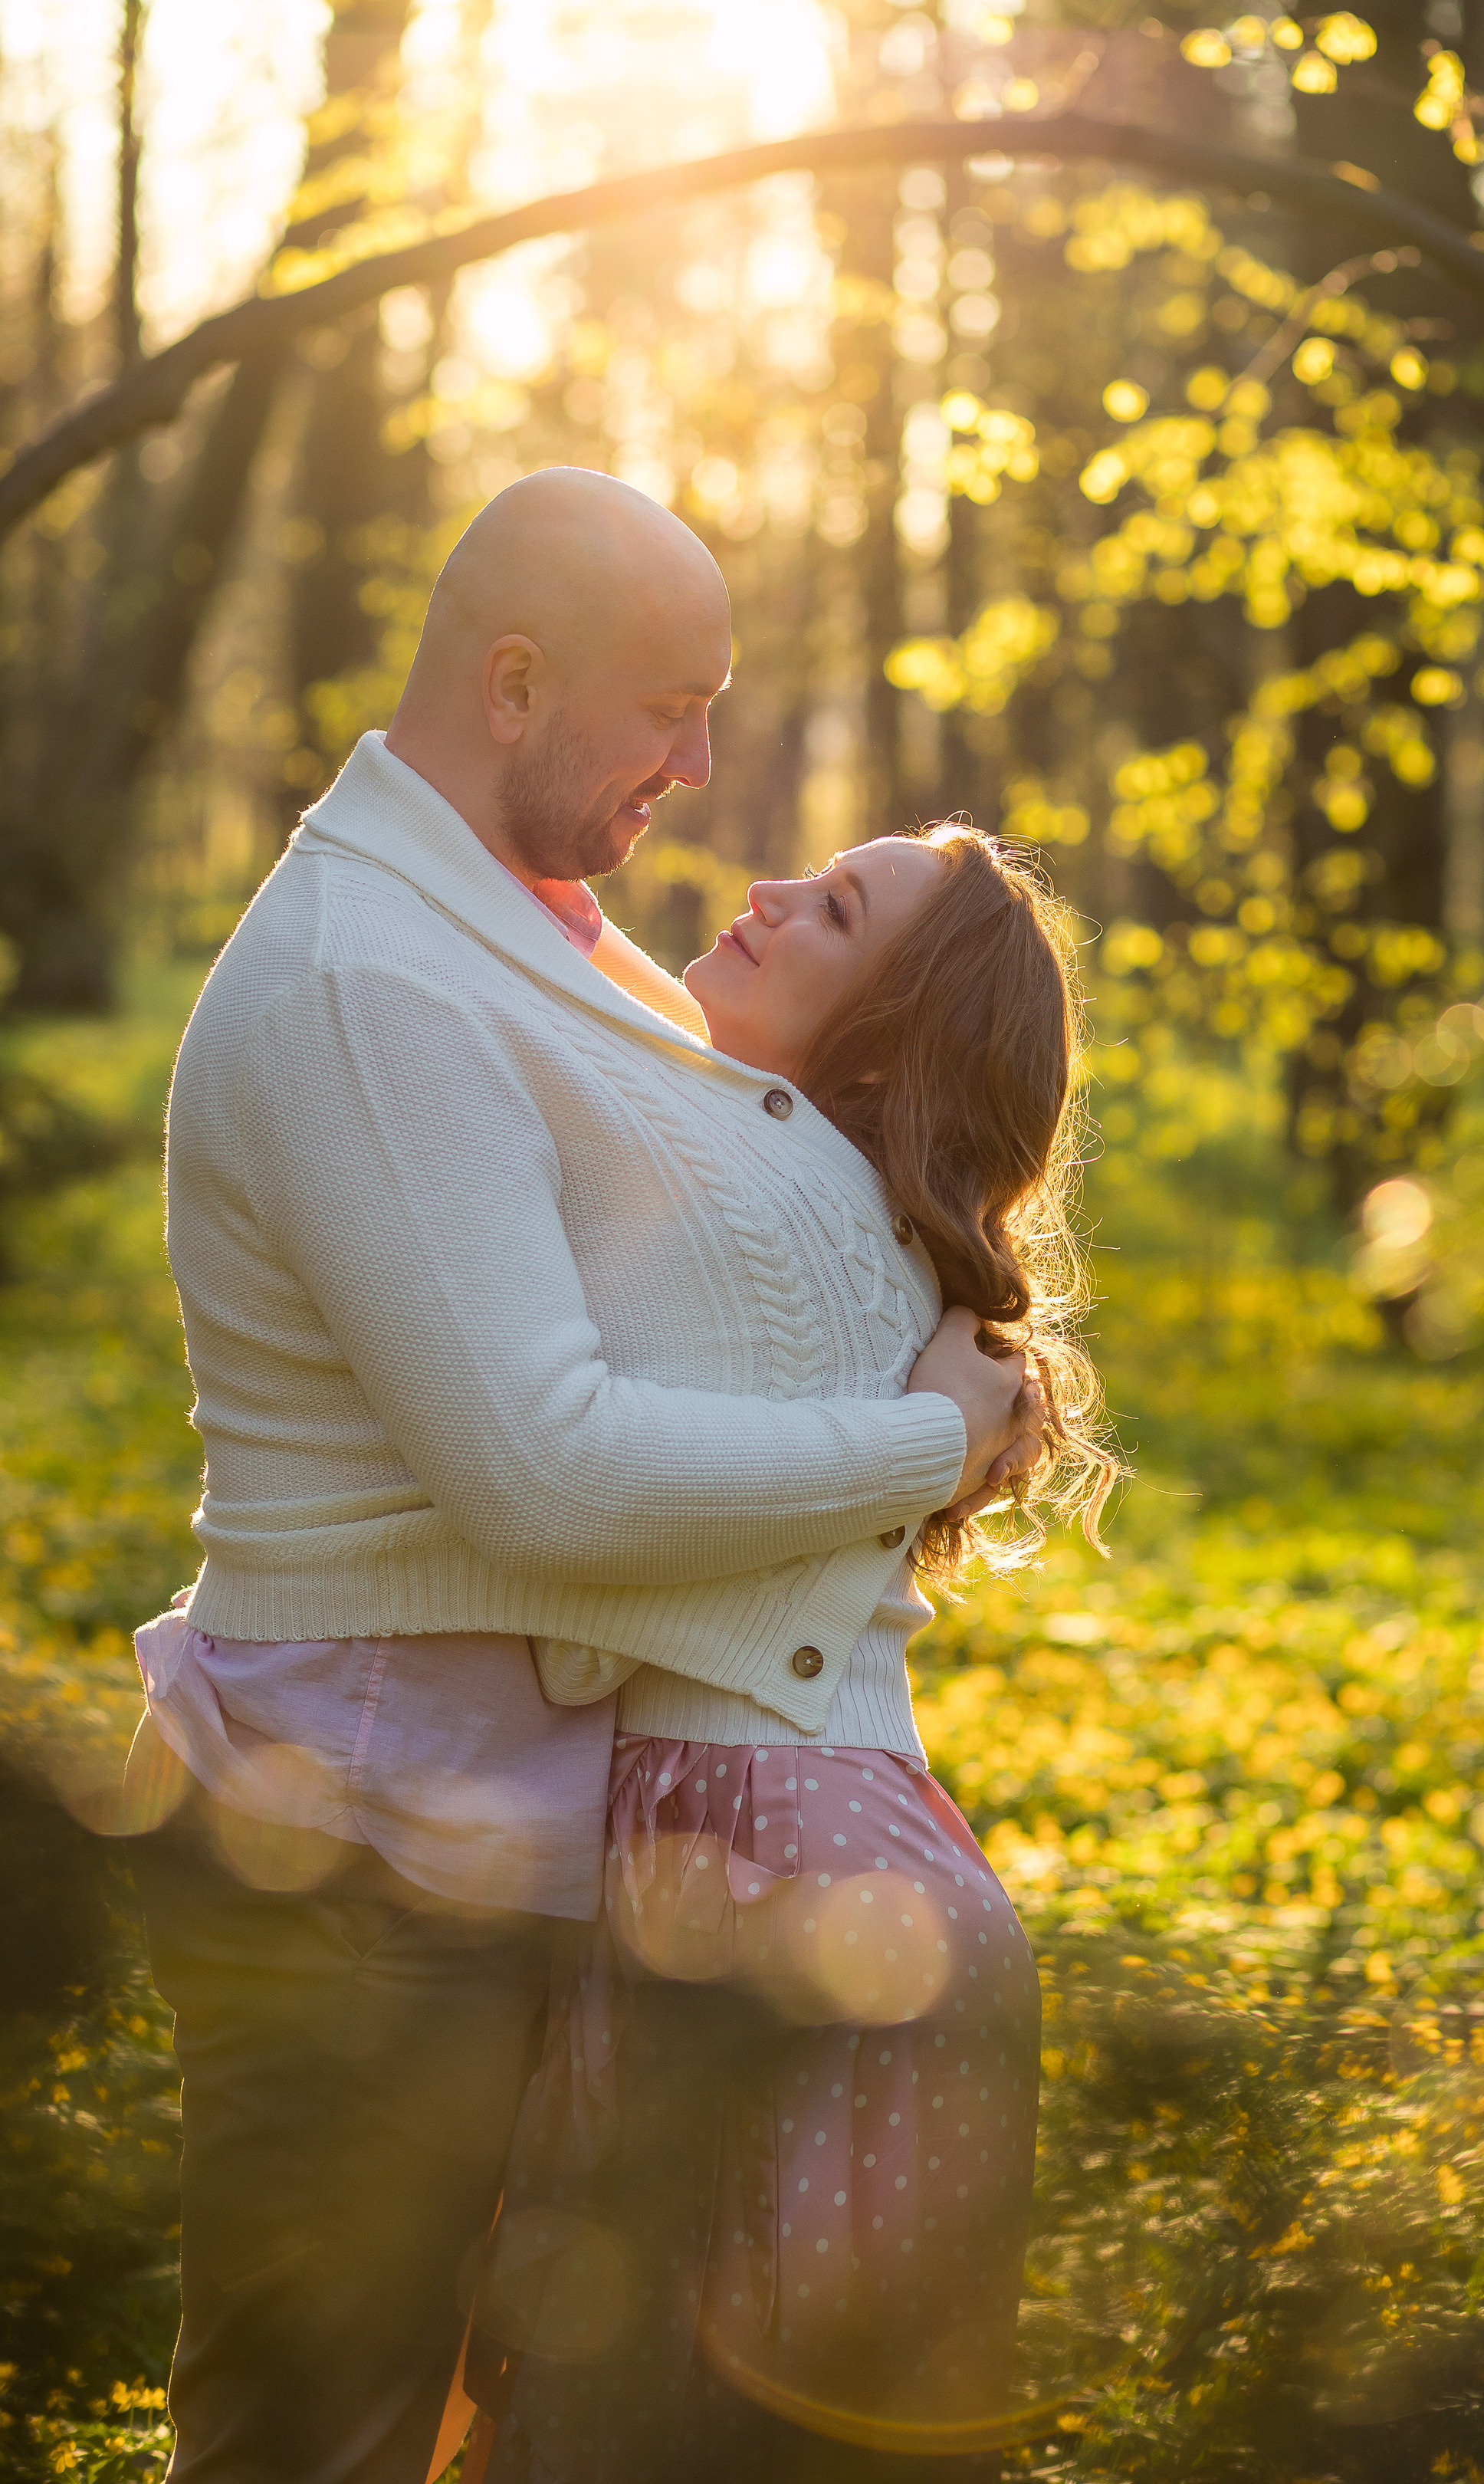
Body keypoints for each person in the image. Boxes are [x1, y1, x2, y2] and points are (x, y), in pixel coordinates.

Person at [126, 468, 1039, 2484]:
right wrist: (925, 1444)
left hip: (532, 1852)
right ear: (515, 685)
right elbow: (541, 1471)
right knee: (319, 2439)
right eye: (666, 708)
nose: (703, 766)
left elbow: (789, 1148)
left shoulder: (528, 934)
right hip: (358, 1856)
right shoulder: (376, 981)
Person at [460, 826, 1114, 2484]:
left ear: (886, 1042)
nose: (761, 893)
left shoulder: (755, 1207)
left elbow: (578, 1492)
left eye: (832, 912)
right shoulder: (844, 1218)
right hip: (837, 1847)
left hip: (779, 1863)